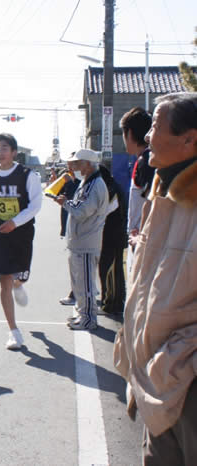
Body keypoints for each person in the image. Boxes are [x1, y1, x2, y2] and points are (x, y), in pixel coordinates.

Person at [113, 92, 197, 466]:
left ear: (189, 139)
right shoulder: (163, 188)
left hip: (185, 385)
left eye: (156, 128)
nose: (147, 137)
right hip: (158, 385)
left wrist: (177, 362)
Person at [0, 134, 42, 350]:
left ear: (14, 152)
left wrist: (15, 222)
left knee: (20, 274)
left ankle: (19, 284)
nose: (0, 152)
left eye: (4, 148)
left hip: (21, 233)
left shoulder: (27, 175)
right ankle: (13, 331)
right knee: (4, 278)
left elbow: (34, 206)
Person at [54, 149, 109, 331]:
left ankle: (88, 319)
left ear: (87, 164)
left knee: (85, 285)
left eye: (77, 163)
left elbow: (83, 211)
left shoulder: (94, 184)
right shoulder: (88, 182)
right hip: (80, 241)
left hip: (87, 241)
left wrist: (65, 203)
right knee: (79, 283)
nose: (74, 167)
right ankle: (82, 315)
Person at [119, 107, 154, 273]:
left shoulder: (147, 160)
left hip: (142, 241)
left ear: (130, 133)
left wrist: (141, 238)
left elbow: (153, 203)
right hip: (141, 240)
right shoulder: (145, 159)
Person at [98, 165, 127, 315]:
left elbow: (104, 211)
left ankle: (111, 305)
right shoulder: (110, 187)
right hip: (109, 236)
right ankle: (109, 303)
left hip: (114, 236)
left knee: (111, 272)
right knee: (106, 270)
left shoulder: (112, 189)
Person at [58, 168, 81, 306]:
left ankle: (77, 295)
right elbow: (58, 194)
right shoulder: (67, 176)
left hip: (80, 228)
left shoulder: (87, 182)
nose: (71, 167)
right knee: (74, 261)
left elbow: (77, 200)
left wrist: (71, 182)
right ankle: (78, 293)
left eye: (74, 164)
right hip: (69, 223)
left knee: (78, 262)